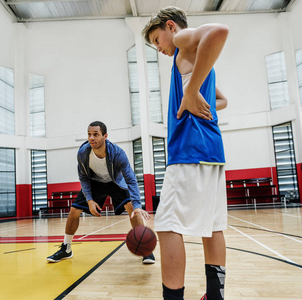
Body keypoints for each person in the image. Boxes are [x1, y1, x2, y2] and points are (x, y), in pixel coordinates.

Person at [142, 6, 229, 300]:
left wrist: (191, 91)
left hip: (190, 150)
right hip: (213, 151)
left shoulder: (181, 42)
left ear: (170, 27)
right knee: (212, 226)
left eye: (156, 39)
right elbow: (222, 100)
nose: (158, 47)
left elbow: (219, 31)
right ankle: (215, 297)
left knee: (166, 226)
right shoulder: (200, 62)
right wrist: (195, 93)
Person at [47, 121, 155, 264]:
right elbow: (83, 178)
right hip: (95, 182)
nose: (91, 138)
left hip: (115, 182)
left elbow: (131, 179)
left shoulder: (118, 153)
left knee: (131, 208)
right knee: (74, 210)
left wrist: (137, 205)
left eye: (96, 134)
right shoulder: (83, 153)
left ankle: (145, 249)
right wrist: (90, 200)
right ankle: (66, 248)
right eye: (89, 134)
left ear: (105, 136)